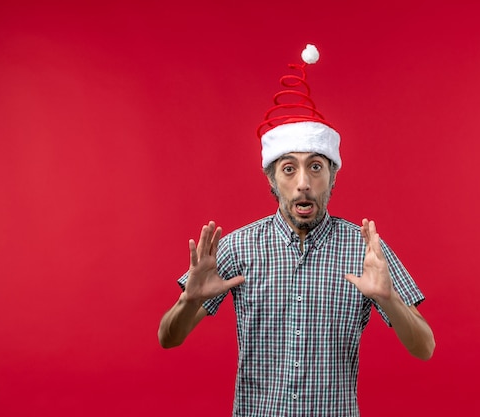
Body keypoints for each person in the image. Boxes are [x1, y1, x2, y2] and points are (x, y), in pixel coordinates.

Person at [158, 44, 435, 417]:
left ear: (333, 175)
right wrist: (188, 301)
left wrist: (388, 299)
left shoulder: (364, 250)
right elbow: (167, 339)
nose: (303, 183)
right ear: (272, 179)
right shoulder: (237, 248)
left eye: (316, 167)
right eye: (289, 169)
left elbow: (425, 347)